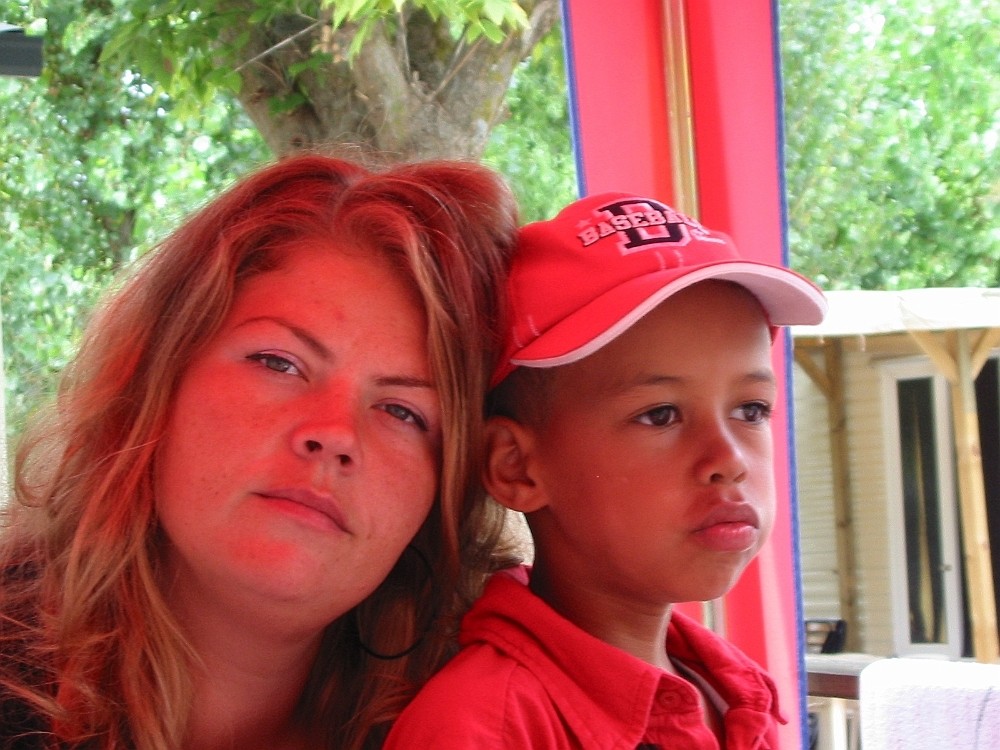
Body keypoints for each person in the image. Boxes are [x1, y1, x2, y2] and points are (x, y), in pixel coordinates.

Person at [0, 153, 521, 749]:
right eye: (279, 362)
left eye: (403, 412)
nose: (335, 433)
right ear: (155, 377)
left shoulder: (484, 728)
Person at [384, 192, 828, 749]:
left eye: (751, 410)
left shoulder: (729, 695)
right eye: (660, 415)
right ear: (516, 467)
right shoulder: (483, 728)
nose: (729, 460)